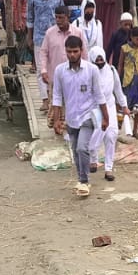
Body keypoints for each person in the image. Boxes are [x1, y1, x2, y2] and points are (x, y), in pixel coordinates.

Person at [50, 33, 108, 198]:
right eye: (69, 52)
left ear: (81, 51)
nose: (72, 55)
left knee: (83, 148)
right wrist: (56, 120)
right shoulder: (60, 71)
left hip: (88, 116)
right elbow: (57, 97)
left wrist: (106, 117)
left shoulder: (91, 70)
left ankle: (84, 181)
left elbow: (99, 95)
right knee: (75, 151)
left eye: (75, 51)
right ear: (65, 51)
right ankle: (81, 178)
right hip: (71, 118)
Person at [89, 45, 129, 181]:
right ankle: (93, 159)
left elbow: (118, 90)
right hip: (94, 108)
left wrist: (124, 106)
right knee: (95, 135)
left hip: (110, 106)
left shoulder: (111, 70)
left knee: (111, 135)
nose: (100, 63)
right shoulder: (88, 72)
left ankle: (108, 168)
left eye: (102, 61)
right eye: (97, 61)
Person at [38, 2, 84, 108]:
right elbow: (43, 52)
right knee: (56, 107)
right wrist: (43, 70)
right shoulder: (50, 33)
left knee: (74, 105)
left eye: (61, 18)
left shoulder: (77, 32)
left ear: (68, 17)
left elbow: (84, 53)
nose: (58, 20)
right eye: (57, 17)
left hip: (75, 76)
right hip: (55, 77)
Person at [113, 13, 138, 135]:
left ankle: (135, 129)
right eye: (137, 39)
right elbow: (120, 64)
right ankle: (118, 127)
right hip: (128, 79)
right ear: (132, 37)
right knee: (123, 104)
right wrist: (117, 77)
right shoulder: (124, 48)